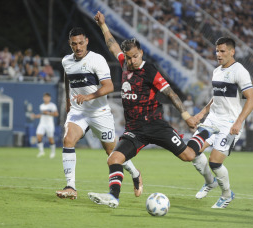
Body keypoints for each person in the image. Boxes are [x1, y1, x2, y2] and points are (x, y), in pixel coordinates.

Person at [87, 11, 219, 208]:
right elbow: (112, 45)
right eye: (129, 57)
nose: (132, 61)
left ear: (141, 53)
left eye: (135, 56)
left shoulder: (149, 70)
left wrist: (186, 116)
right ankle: (113, 197)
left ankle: (206, 134)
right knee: (114, 158)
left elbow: (170, 93)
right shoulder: (124, 63)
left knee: (188, 156)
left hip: (156, 125)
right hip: (134, 130)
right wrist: (103, 26)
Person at [55, 27, 143, 200]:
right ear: (70, 44)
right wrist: (67, 100)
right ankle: (70, 186)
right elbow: (67, 77)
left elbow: (109, 87)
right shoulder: (66, 61)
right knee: (68, 139)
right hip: (78, 111)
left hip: (99, 112)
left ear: (86, 41)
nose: (78, 47)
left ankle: (135, 173)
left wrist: (87, 97)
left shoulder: (97, 60)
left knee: (112, 153)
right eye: (74, 44)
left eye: (81, 43)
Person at [192, 37, 253, 208]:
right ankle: (209, 182)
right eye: (217, 51)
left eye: (222, 51)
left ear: (232, 52)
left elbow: (252, 99)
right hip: (212, 120)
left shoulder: (239, 71)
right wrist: (202, 113)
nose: (218, 55)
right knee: (191, 152)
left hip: (229, 123)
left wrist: (239, 122)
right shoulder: (217, 71)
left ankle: (227, 195)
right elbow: (216, 96)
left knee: (214, 162)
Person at [32, 92, 59, 159]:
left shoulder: (52, 105)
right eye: (45, 97)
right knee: (38, 136)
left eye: (47, 97)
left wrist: (48, 113)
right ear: (43, 98)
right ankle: (41, 152)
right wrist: (35, 116)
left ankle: (53, 152)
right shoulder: (41, 106)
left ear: (49, 98)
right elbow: (41, 115)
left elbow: (56, 114)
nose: (46, 98)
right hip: (42, 124)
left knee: (50, 139)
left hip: (49, 124)